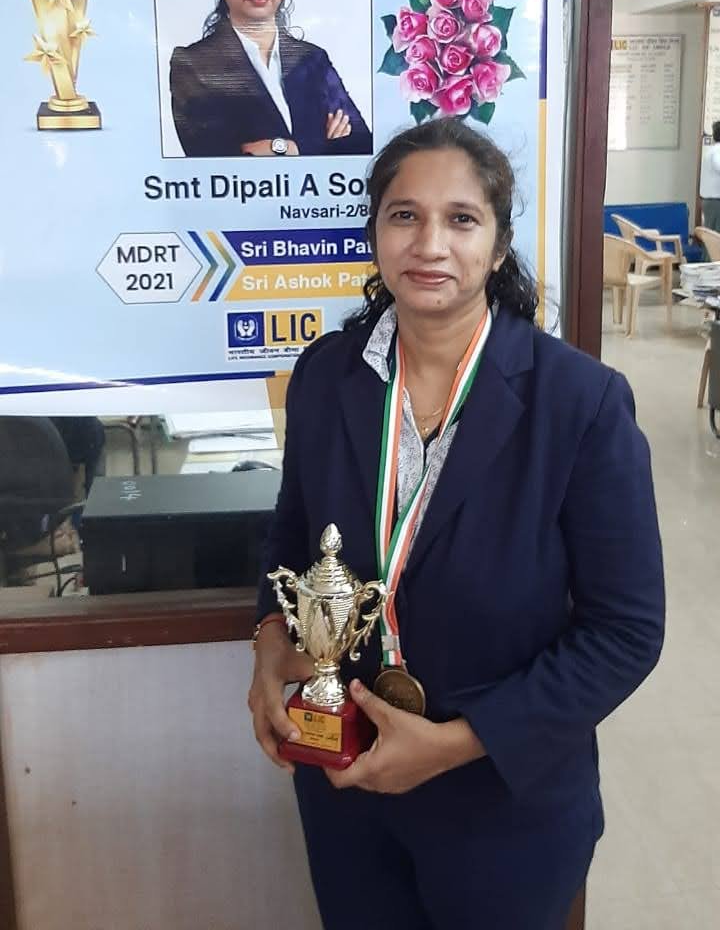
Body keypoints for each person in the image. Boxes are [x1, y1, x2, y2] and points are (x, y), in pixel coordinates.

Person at [248, 118, 664, 930]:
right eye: (404, 215)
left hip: (503, 804)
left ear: (499, 246)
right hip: (347, 784)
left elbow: (626, 632)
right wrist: (269, 646)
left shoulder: (579, 402)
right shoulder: (326, 375)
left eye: (461, 219)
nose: (429, 243)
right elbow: (291, 536)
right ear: (375, 232)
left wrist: (459, 743)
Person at [169, 0, 372, 158]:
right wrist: (323, 144)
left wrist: (286, 148)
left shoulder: (313, 60)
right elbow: (214, 157)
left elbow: (362, 146)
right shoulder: (193, 65)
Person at [699, 120, 720, 233]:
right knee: (715, 238)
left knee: (711, 236)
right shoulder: (718, 151)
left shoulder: (711, 150)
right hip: (716, 202)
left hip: (710, 201)